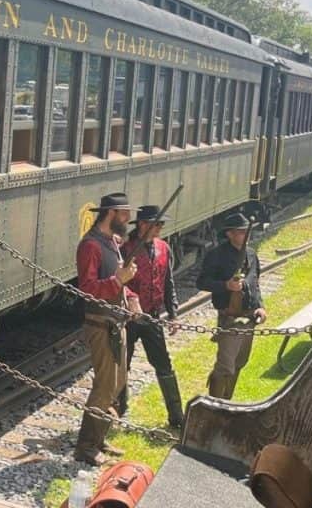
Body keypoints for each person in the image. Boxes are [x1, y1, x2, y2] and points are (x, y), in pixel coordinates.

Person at [74, 192, 139, 465]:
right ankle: (86, 447)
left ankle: (98, 439)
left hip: (116, 320)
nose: (127, 219)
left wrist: (132, 297)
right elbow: (87, 290)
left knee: (117, 383)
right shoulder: (90, 246)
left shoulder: (111, 242)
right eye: (124, 214)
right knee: (104, 387)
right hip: (101, 324)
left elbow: (118, 282)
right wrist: (117, 281)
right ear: (111, 214)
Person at [116, 205, 184, 428]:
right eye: (157, 225)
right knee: (121, 364)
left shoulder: (164, 248)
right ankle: (118, 411)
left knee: (163, 364)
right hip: (128, 318)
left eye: (161, 225)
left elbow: (168, 282)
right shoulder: (126, 248)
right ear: (143, 225)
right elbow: (118, 282)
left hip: (152, 317)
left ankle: (176, 416)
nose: (160, 229)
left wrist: (173, 314)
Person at [196, 211, 268, 400]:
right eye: (241, 231)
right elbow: (202, 282)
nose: (246, 235)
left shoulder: (251, 254)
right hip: (230, 317)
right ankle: (215, 405)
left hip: (250, 316)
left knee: (239, 363)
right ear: (230, 234)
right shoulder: (217, 255)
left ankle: (227, 402)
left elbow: (255, 284)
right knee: (225, 366)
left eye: (246, 231)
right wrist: (225, 286)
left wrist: (260, 307)